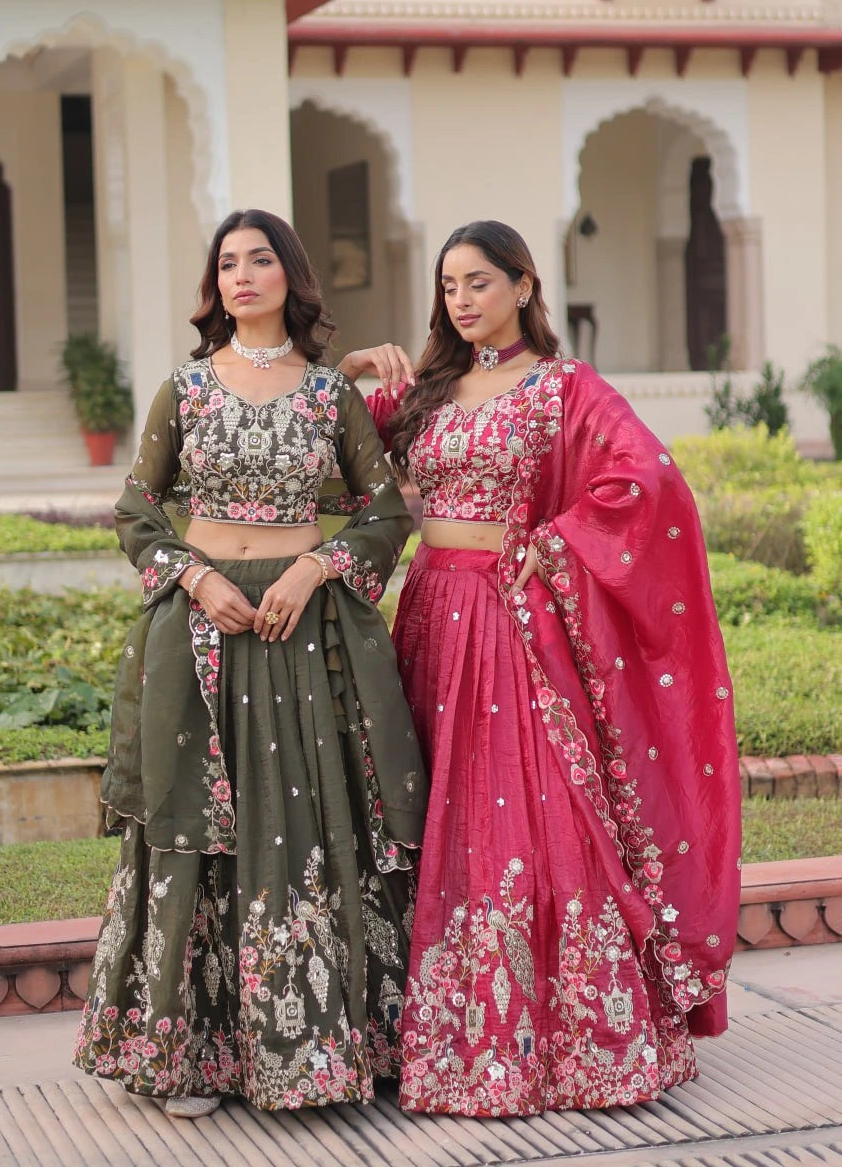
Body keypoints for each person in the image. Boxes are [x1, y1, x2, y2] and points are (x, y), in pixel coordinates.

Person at [340, 220, 741, 1119]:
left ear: (522, 286)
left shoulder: (565, 387)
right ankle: (416, 1025)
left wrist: (560, 539)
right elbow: (324, 452)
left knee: (522, 811)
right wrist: (353, 379)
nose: (461, 300)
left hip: (504, 622)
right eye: (448, 287)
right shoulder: (427, 391)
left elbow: (645, 475)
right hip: (425, 618)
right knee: (420, 809)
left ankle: (553, 1036)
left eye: (478, 282)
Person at [73, 209, 427, 1118]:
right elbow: (135, 509)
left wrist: (315, 565)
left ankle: (317, 1045)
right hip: (200, 632)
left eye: (259, 259)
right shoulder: (182, 391)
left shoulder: (326, 397)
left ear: (290, 276)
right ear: (215, 284)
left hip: (297, 632)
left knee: (301, 823)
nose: (241, 275)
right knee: (200, 822)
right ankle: (193, 1054)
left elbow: (385, 512)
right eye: (226, 263)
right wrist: (192, 577)